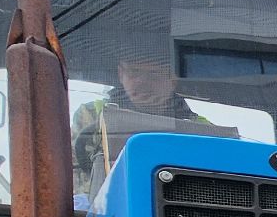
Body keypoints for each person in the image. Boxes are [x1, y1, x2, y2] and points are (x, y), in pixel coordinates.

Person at [72, 43, 213, 195]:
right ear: (121, 74)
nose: (142, 82)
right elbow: (73, 174)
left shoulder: (204, 130)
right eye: (134, 72)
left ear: (172, 80)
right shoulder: (92, 114)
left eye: (154, 74)